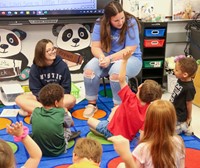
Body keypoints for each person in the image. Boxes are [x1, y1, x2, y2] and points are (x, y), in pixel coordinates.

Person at [83, 1, 142, 118]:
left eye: (122, 18)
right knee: (89, 71)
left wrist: (109, 59)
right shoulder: (100, 23)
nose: (120, 22)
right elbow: (95, 47)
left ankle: (118, 107)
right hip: (107, 57)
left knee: (116, 73)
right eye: (116, 20)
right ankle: (91, 104)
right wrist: (101, 57)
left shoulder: (131, 22)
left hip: (131, 58)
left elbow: (130, 49)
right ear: (109, 19)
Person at [87, 50, 162, 141]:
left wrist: (124, 61)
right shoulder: (149, 111)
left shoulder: (129, 97)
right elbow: (143, 133)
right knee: (116, 109)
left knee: (89, 121)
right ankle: (107, 127)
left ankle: (105, 132)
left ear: (139, 88)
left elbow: (121, 79)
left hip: (111, 130)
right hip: (127, 137)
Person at [108, 100, 185, 168]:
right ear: (173, 121)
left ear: (148, 121)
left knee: (121, 166)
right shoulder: (179, 141)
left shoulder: (143, 148)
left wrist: (126, 155)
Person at [15, 39, 76, 116]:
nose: (53, 52)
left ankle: (35, 112)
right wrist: (45, 100)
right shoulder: (34, 67)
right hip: (40, 99)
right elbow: (34, 89)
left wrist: (54, 99)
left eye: (53, 49)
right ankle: (56, 111)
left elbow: (66, 89)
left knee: (71, 99)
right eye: (48, 50)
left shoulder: (62, 66)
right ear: (41, 53)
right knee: (19, 99)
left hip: (57, 99)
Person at [31, 83, 81, 157]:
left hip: (38, 149)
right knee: (66, 121)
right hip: (58, 150)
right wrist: (66, 111)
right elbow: (71, 124)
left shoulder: (35, 111)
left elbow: (32, 121)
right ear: (56, 103)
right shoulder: (62, 112)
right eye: (62, 100)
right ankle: (68, 136)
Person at [170, 56, 198, 135]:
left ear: (185, 74)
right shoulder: (181, 79)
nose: (174, 71)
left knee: (172, 133)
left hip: (180, 114)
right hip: (173, 108)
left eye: (176, 70)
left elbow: (189, 104)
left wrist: (189, 117)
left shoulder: (189, 88)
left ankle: (186, 127)